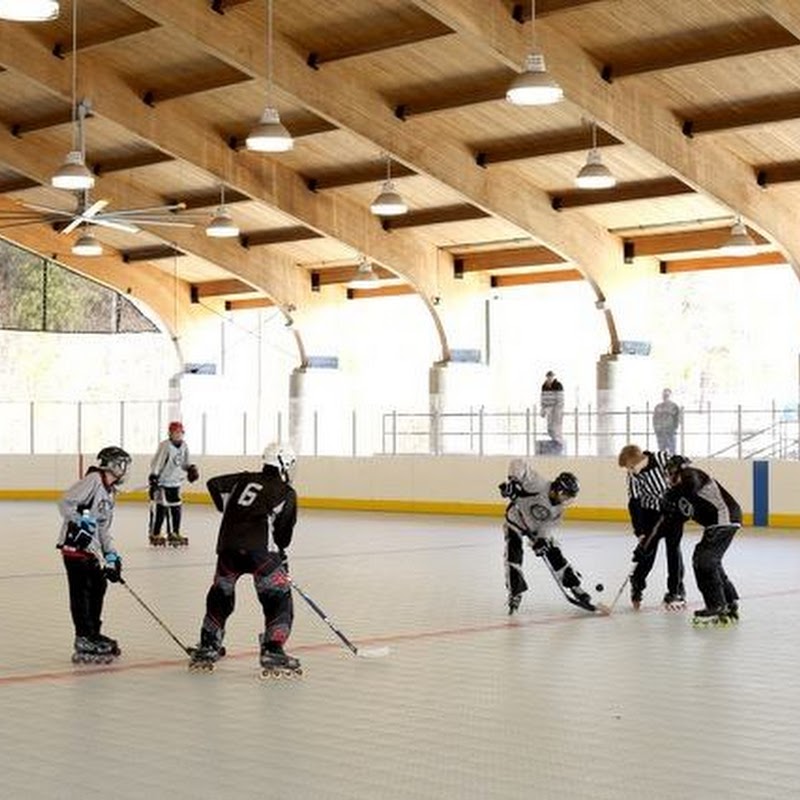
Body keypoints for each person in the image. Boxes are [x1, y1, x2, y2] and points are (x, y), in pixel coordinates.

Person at [189, 442, 300, 675]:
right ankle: (272, 647)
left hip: (227, 548)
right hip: (261, 553)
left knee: (221, 593)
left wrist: (229, 509)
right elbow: (283, 535)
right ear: (284, 464)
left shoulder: (243, 478)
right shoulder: (286, 492)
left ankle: (209, 644)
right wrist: (281, 554)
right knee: (277, 597)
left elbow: (213, 484)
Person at [57, 446, 130, 664]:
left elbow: (103, 528)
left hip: (91, 550)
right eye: (122, 464)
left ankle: (93, 633)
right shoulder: (94, 480)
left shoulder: (110, 491)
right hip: (74, 547)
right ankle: (83, 637)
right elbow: (65, 502)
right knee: (81, 590)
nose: (125, 469)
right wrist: (79, 522)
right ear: (112, 464)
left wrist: (112, 556)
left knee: (99, 584)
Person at [500, 459, 602, 615]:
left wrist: (541, 540)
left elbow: (547, 527)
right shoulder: (538, 484)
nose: (566, 500)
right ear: (558, 489)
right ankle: (515, 592)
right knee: (513, 556)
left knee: (554, 554)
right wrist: (513, 482)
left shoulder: (559, 509)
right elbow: (517, 463)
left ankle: (575, 586)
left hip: (535, 529)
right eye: (566, 495)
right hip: (516, 521)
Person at [663, 455, 742, 626]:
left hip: (724, 518)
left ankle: (716, 605)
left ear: (675, 471)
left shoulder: (691, 474)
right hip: (718, 523)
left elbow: (691, 485)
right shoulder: (681, 493)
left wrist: (670, 495)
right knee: (710, 561)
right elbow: (678, 516)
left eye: (669, 474)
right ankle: (729, 601)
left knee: (703, 561)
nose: (667, 478)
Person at [618, 444, 686, 610]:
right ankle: (637, 585)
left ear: (637, 457)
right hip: (651, 515)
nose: (630, 469)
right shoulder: (633, 476)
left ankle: (675, 590)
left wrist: (681, 463)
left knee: (674, 551)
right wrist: (639, 530)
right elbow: (634, 503)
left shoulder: (662, 458)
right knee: (647, 554)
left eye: (630, 465)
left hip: (673, 513)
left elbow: (684, 470)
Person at [148, 421, 199, 546]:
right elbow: (157, 461)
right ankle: (155, 533)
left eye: (179, 432)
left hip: (176, 483)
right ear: (170, 433)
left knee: (176, 508)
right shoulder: (165, 445)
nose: (177, 435)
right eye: (174, 432)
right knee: (162, 509)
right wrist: (154, 475)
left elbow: (184, 463)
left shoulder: (184, 446)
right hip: (163, 483)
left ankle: (175, 532)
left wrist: (190, 468)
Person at [540, 370, 564, 449]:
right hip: (548, 409)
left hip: (556, 410)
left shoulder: (558, 385)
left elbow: (560, 400)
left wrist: (556, 410)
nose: (549, 378)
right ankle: (556, 442)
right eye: (548, 376)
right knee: (550, 428)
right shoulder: (544, 386)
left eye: (551, 376)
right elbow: (543, 398)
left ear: (553, 377)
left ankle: (559, 444)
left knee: (557, 427)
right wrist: (543, 408)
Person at [652, 388, 680, 453]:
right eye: (664, 395)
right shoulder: (658, 407)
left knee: (672, 450)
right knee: (662, 450)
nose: (665, 397)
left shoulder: (674, 406)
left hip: (670, 431)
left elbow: (677, 418)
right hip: (660, 431)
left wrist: (674, 428)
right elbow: (654, 419)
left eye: (667, 395)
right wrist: (656, 429)